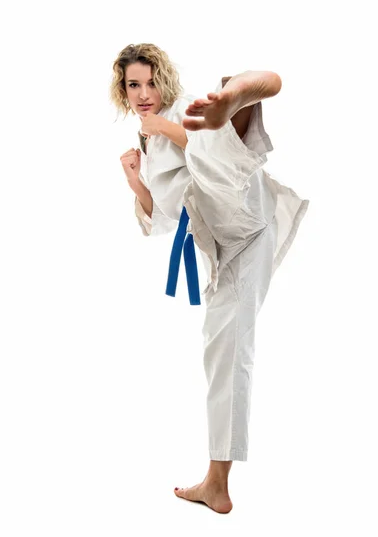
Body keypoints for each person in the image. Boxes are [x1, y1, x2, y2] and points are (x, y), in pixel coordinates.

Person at [110, 43, 310, 514]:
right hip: (226, 244)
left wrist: (169, 128)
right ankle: (216, 484)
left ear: (164, 79)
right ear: (122, 90)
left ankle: (240, 90)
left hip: (245, 218)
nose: (143, 93)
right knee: (222, 352)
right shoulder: (147, 140)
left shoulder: (176, 114)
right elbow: (161, 218)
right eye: (133, 85)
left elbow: (190, 147)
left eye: (150, 81)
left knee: (205, 140)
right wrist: (135, 179)